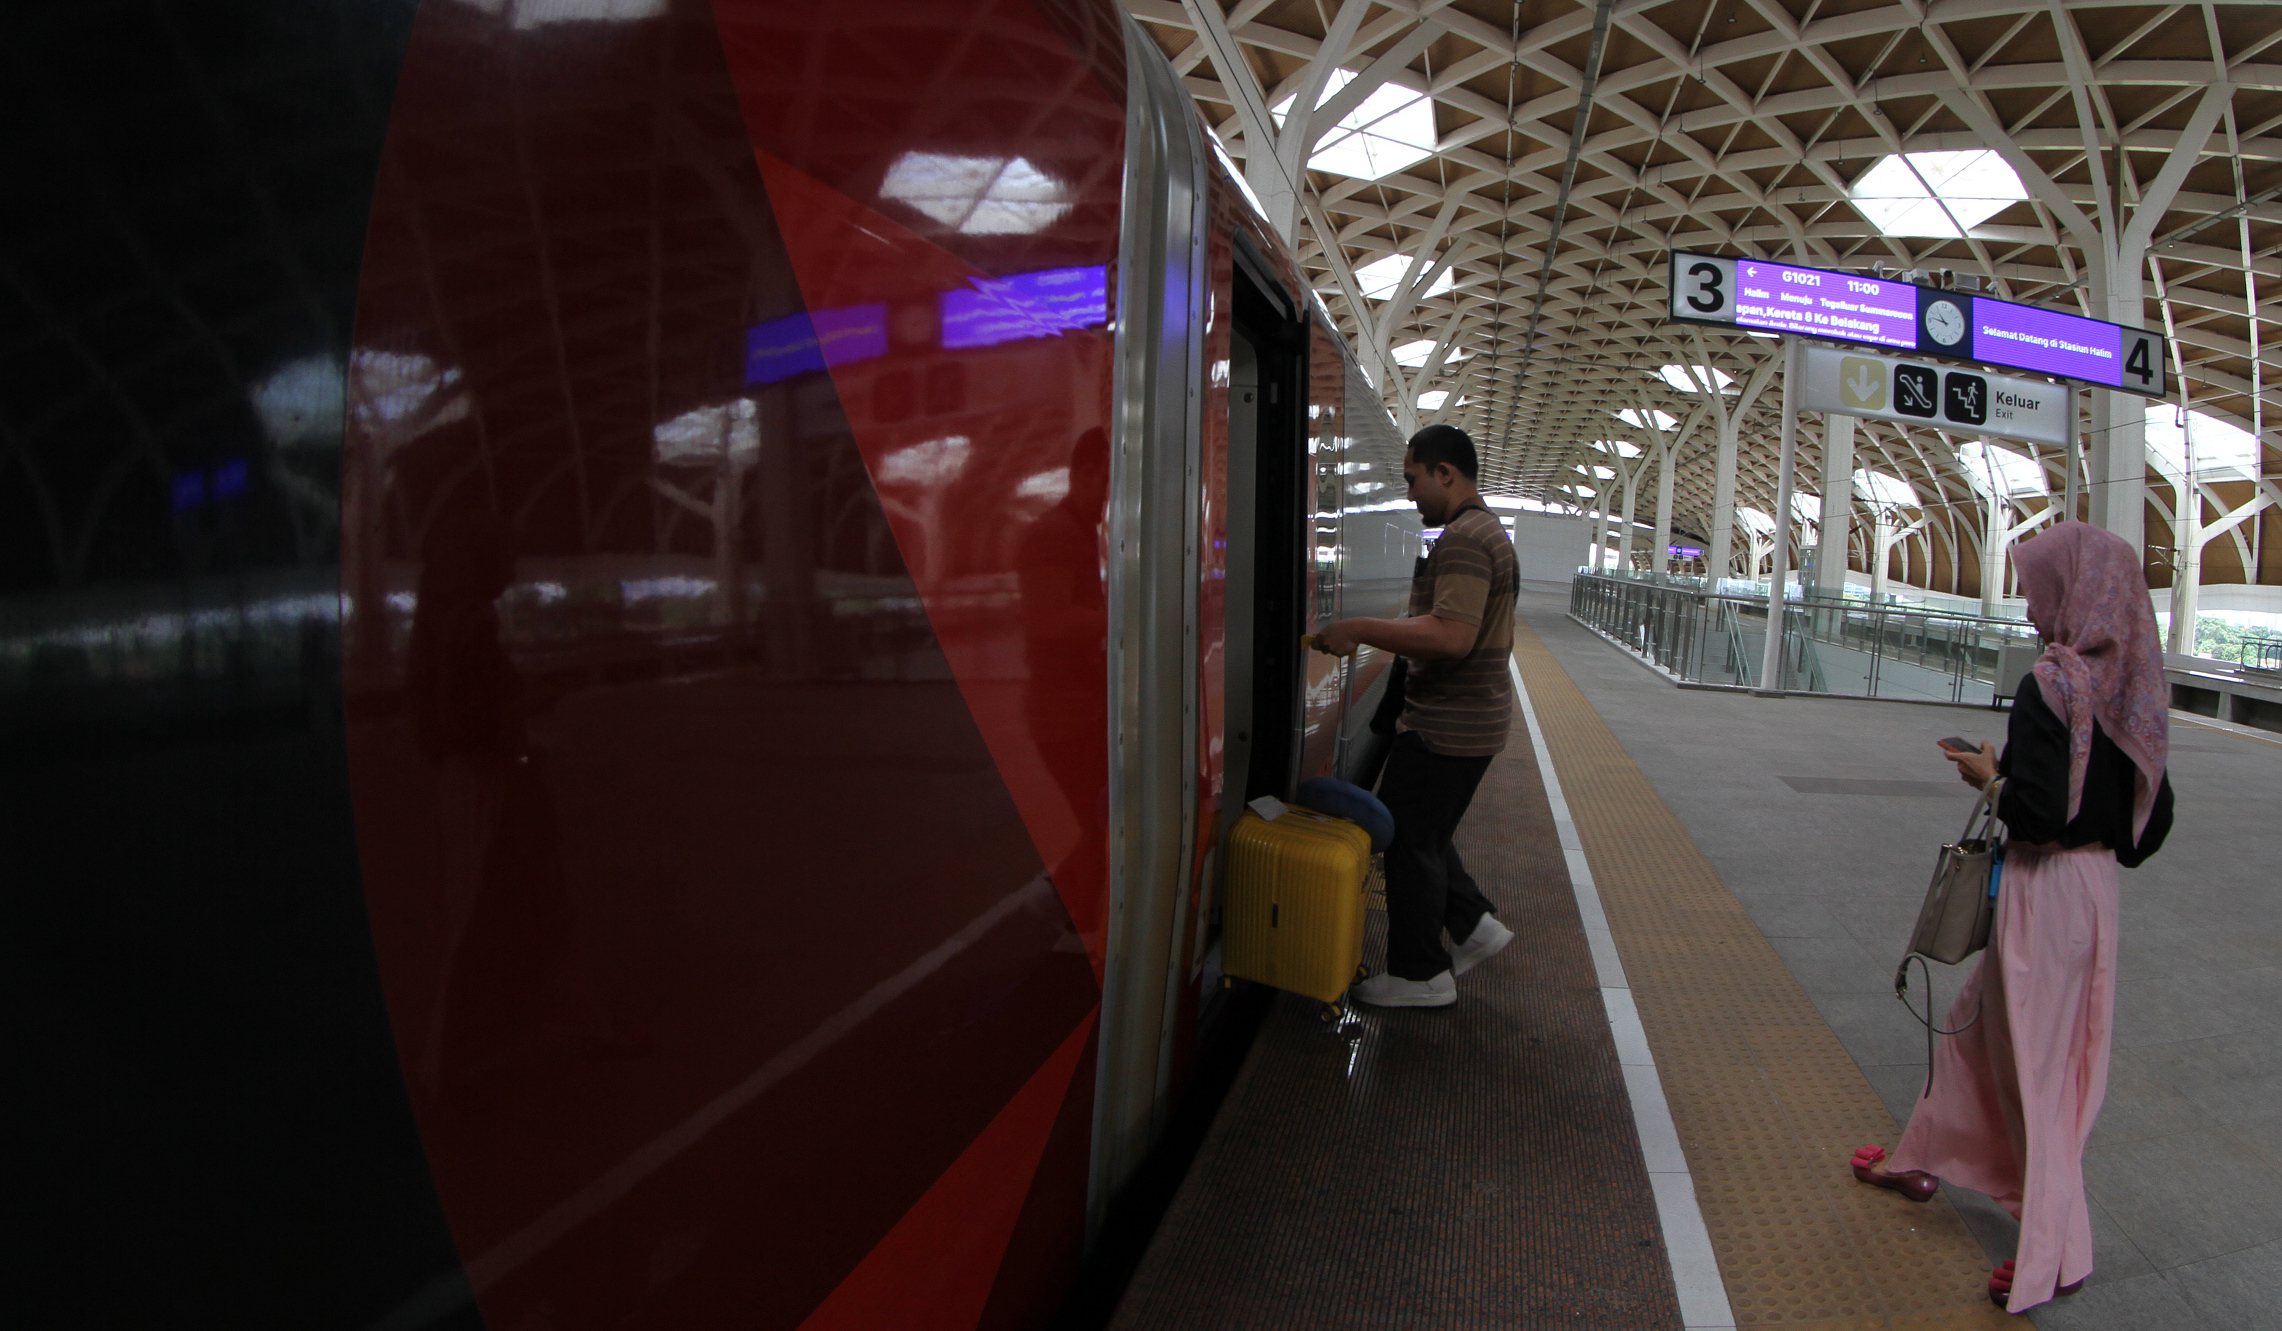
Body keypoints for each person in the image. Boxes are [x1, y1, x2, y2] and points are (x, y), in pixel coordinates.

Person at [1850, 521, 2173, 1314]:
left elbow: (2032, 814)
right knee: (1978, 1025)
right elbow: (2150, 819)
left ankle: (2056, 1251)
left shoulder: (2052, 684)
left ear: (2074, 590)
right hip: (2095, 891)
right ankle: (1920, 1153)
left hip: (2042, 885)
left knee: (2037, 1069)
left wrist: (1990, 777)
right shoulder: (2135, 682)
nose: (2029, 605)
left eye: (2036, 586)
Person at [1311, 425, 1518, 1008]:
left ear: (1444, 472)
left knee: (1405, 840)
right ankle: (1474, 925)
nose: (1410, 494)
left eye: (1412, 479)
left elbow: (1452, 637)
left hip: (1447, 724)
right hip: (1469, 719)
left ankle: (1421, 974)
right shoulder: (1482, 531)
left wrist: (1358, 630)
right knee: (1422, 832)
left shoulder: (1465, 540)